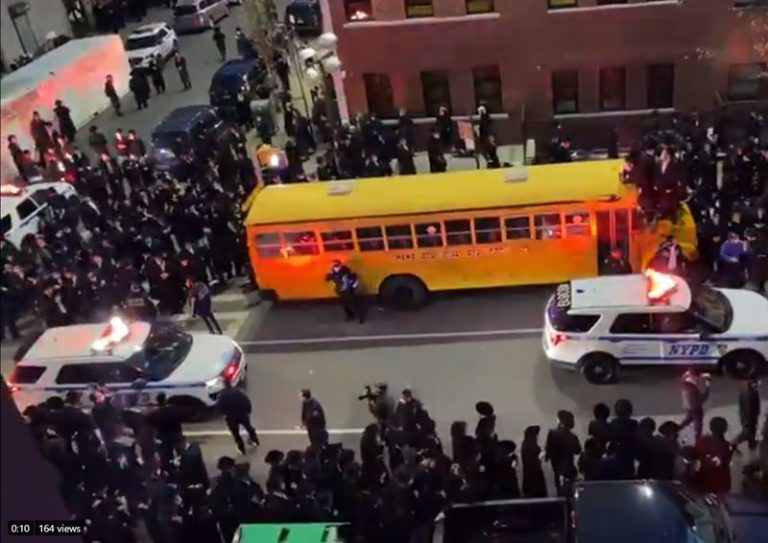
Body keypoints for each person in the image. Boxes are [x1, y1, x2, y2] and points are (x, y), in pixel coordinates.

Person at [217, 378, 259, 455]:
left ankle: (241, 448)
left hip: (231, 417)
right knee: (248, 427)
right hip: (242, 414)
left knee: (235, 433)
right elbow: (246, 401)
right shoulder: (238, 392)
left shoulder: (222, 395)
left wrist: (224, 413)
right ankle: (254, 439)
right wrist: (248, 410)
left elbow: (220, 407)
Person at [545, 410, 581, 495]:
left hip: (557, 466)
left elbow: (549, 450)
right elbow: (577, 450)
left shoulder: (553, 433)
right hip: (569, 466)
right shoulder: (573, 436)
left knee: (560, 492)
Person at [680, 368, 710, 442]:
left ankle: (677, 429)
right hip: (696, 406)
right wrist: (708, 385)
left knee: (688, 418)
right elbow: (703, 397)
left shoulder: (685, 377)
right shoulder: (697, 383)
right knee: (698, 425)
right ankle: (698, 440)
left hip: (687, 404)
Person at [732, 378, 761, 452]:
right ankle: (733, 444)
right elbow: (748, 408)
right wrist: (748, 420)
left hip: (750, 417)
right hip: (749, 418)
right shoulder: (749, 393)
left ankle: (752, 444)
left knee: (751, 432)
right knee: (747, 433)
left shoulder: (749, 392)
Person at [521, 425, 547, 497]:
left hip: (530, 478)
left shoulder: (526, 445)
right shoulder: (530, 446)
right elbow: (534, 459)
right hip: (534, 477)